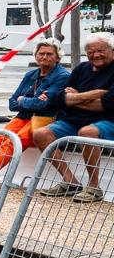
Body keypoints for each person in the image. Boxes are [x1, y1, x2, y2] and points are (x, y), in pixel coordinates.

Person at [34, 32, 114, 203]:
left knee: (87, 132)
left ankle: (94, 187)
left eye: (101, 50)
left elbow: (108, 104)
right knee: (40, 134)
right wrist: (93, 95)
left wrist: (74, 99)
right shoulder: (81, 68)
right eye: (91, 51)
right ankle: (71, 182)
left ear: (112, 50)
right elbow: (58, 97)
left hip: (109, 120)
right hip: (74, 120)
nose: (96, 55)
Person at [0, 41, 68, 178]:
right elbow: (12, 103)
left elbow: (43, 105)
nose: (44, 57)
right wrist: (32, 101)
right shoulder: (31, 75)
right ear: (36, 56)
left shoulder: (62, 76)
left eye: (49, 54)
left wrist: (23, 100)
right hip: (23, 116)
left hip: (44, 119)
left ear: (58, 58)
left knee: (15, 141)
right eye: (41, 54)